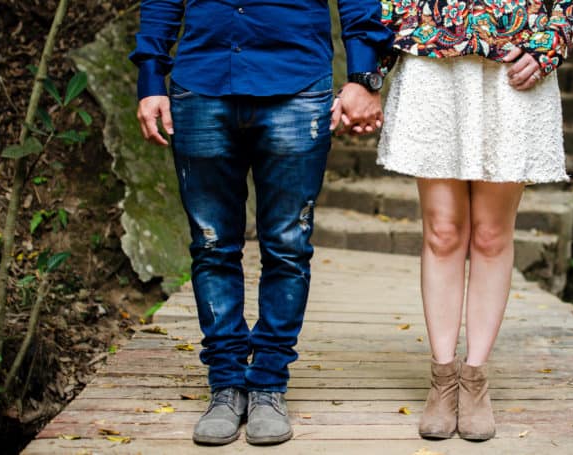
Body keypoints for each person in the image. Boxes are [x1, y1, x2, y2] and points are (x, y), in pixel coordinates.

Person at [129, 0, 392, 446]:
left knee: (288, 246)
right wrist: (151, 78)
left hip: (295, 84)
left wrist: (362, 77)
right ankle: (227, 383)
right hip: (202, 83)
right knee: (212, 246)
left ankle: (269, 382)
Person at [378, 0, 573, 441]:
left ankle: (474, 378)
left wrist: (549, 43)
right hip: (432, 55)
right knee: (442, 232)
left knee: (492, 236)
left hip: (513, 61)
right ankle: (442, 378)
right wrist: (378, 57)